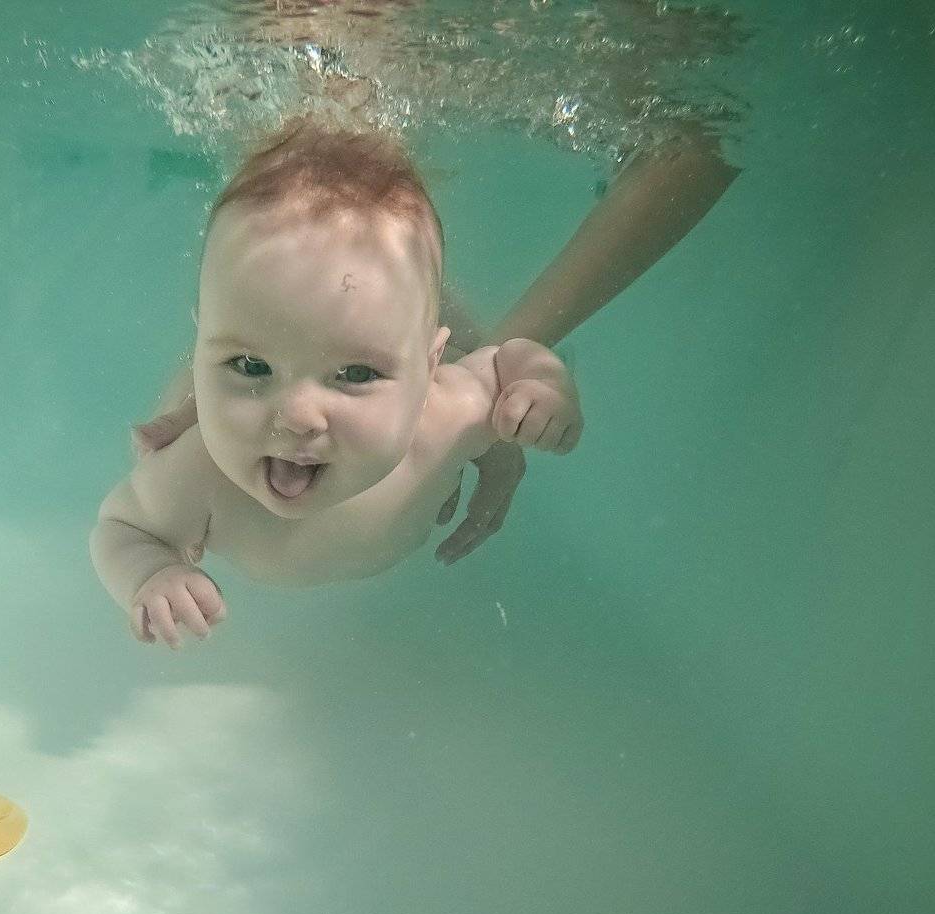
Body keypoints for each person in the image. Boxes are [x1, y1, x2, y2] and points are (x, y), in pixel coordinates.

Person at [91, 117, 583, 647]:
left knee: (349, 319)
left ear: (431, 366)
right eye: (249, 365)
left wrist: (544, 390)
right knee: (319, 327)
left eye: (357, 375)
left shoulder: (447, 417)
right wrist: (151, 574)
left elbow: (507, 361)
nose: (297, 417)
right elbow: (122, 530)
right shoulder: (198, 473)